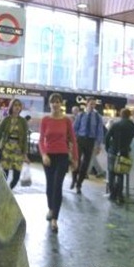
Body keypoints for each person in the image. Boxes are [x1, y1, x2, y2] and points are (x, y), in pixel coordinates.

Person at [39, 93, 78, 233]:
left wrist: (75, 159)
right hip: (48, 157)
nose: (55, 104)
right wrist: (43, 154)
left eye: (58, 102)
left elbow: (73, 140)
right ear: (49, 104)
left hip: (62, 156)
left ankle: (55, 218)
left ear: (61, 104)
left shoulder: (66, 121)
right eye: (53, 102)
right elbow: (41, 140)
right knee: (49, 186)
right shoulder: (45, 120)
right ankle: (51, 208)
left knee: (57, 186)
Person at [0, 99, 29, 189]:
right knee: (4, 173)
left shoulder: (23, 122)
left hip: (18, 150)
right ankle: (4, 191)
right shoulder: (6, 120)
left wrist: (25, 154)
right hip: (6, 149)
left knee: (17, 175)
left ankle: (10, 189)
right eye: (15, 105)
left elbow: (25, 138)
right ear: (11, 107)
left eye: (19, 105)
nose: (17, 107)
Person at [71, 97, 104, 194]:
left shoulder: (98, 117)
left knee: (85, 164)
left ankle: (79, 184)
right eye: (91, 104)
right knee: (76, 161)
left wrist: (98, 145)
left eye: (94, 104)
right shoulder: (81, 115)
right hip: (80, 139)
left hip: (90, 141)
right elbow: (74, 128)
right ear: (87, 104)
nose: (93, 106)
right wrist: (73, 141)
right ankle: (74, 179)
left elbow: (99, 132)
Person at [104, 108, 134, 204]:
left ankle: (112, 194)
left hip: (113, 152)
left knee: (111, 173)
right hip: (125, 152)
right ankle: (120, 195)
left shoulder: (116, 125)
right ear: (129, 115)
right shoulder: (132, 126)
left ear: (121, 115)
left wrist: (107, 148)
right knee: (120, 174)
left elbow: (107, 137)